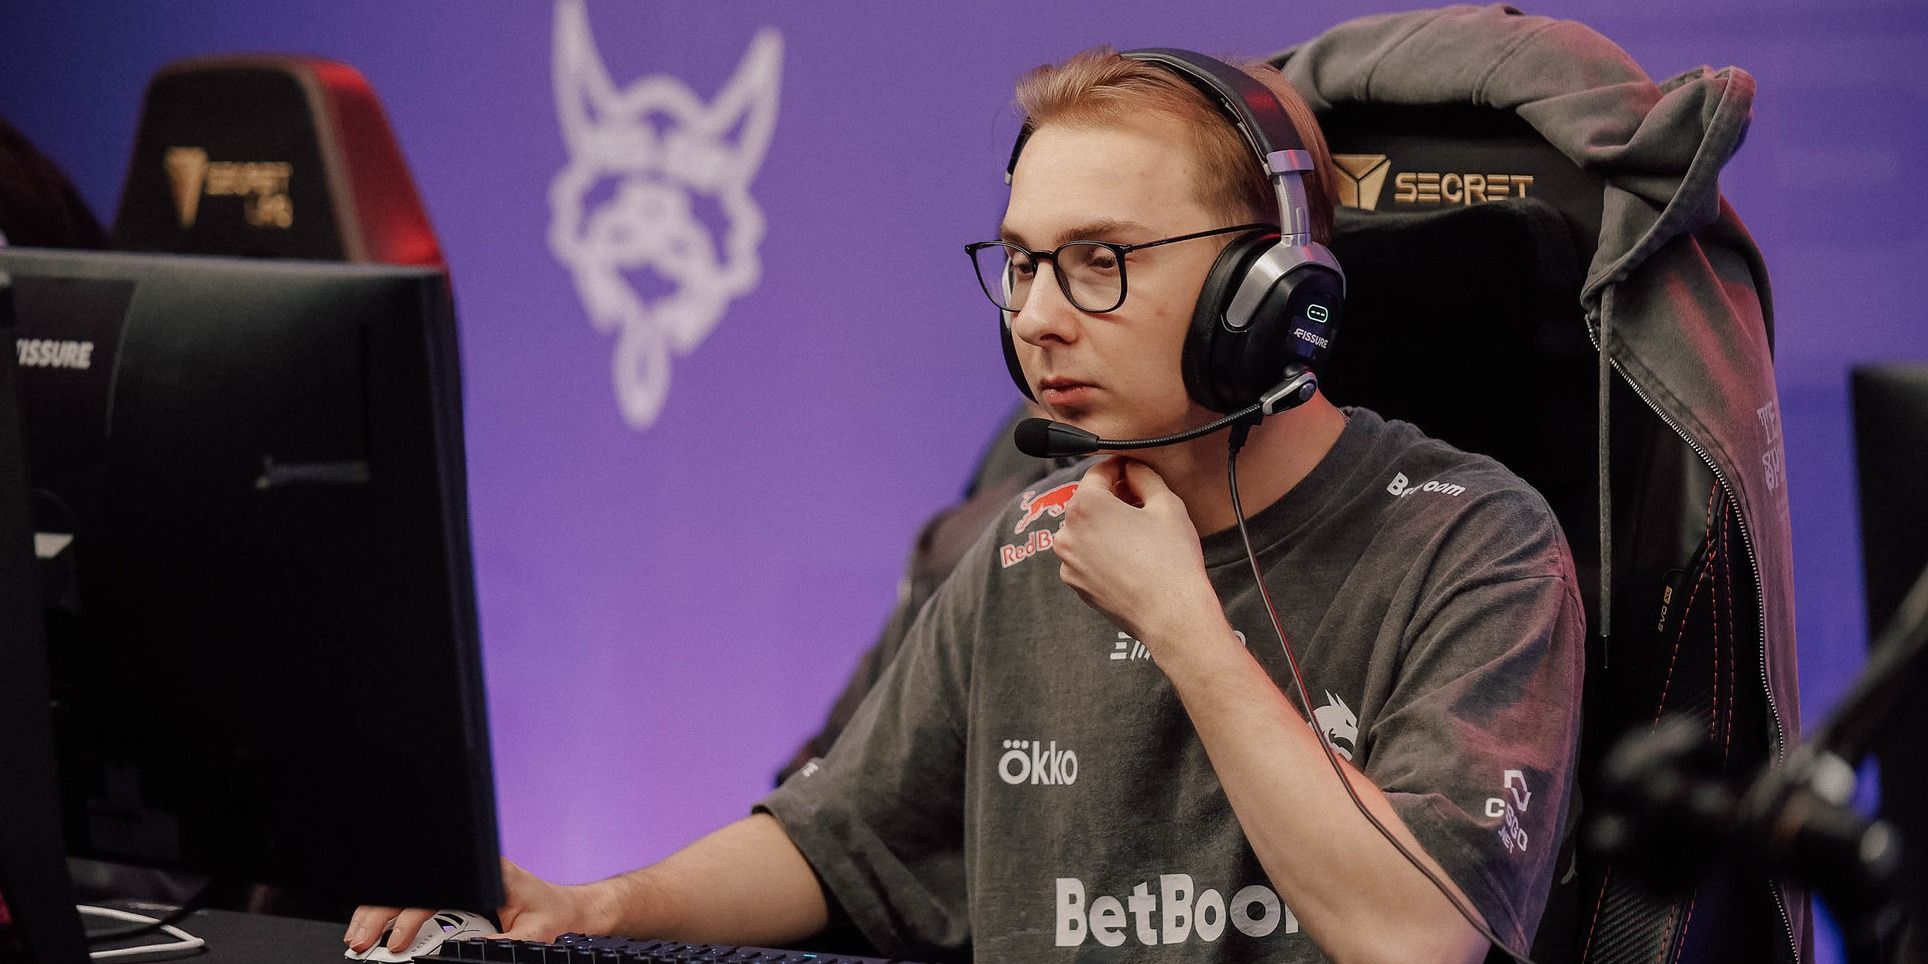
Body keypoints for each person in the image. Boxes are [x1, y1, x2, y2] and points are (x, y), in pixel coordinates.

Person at [348, 46, 1584, 964]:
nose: (1036, 316)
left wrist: (1182, 623)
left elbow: (1412, 937)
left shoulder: (1471, 542)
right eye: (1023, 262)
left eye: (1098, 262)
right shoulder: (1025, 540)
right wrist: (593, 906)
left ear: (1264, 294)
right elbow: (837, 840)